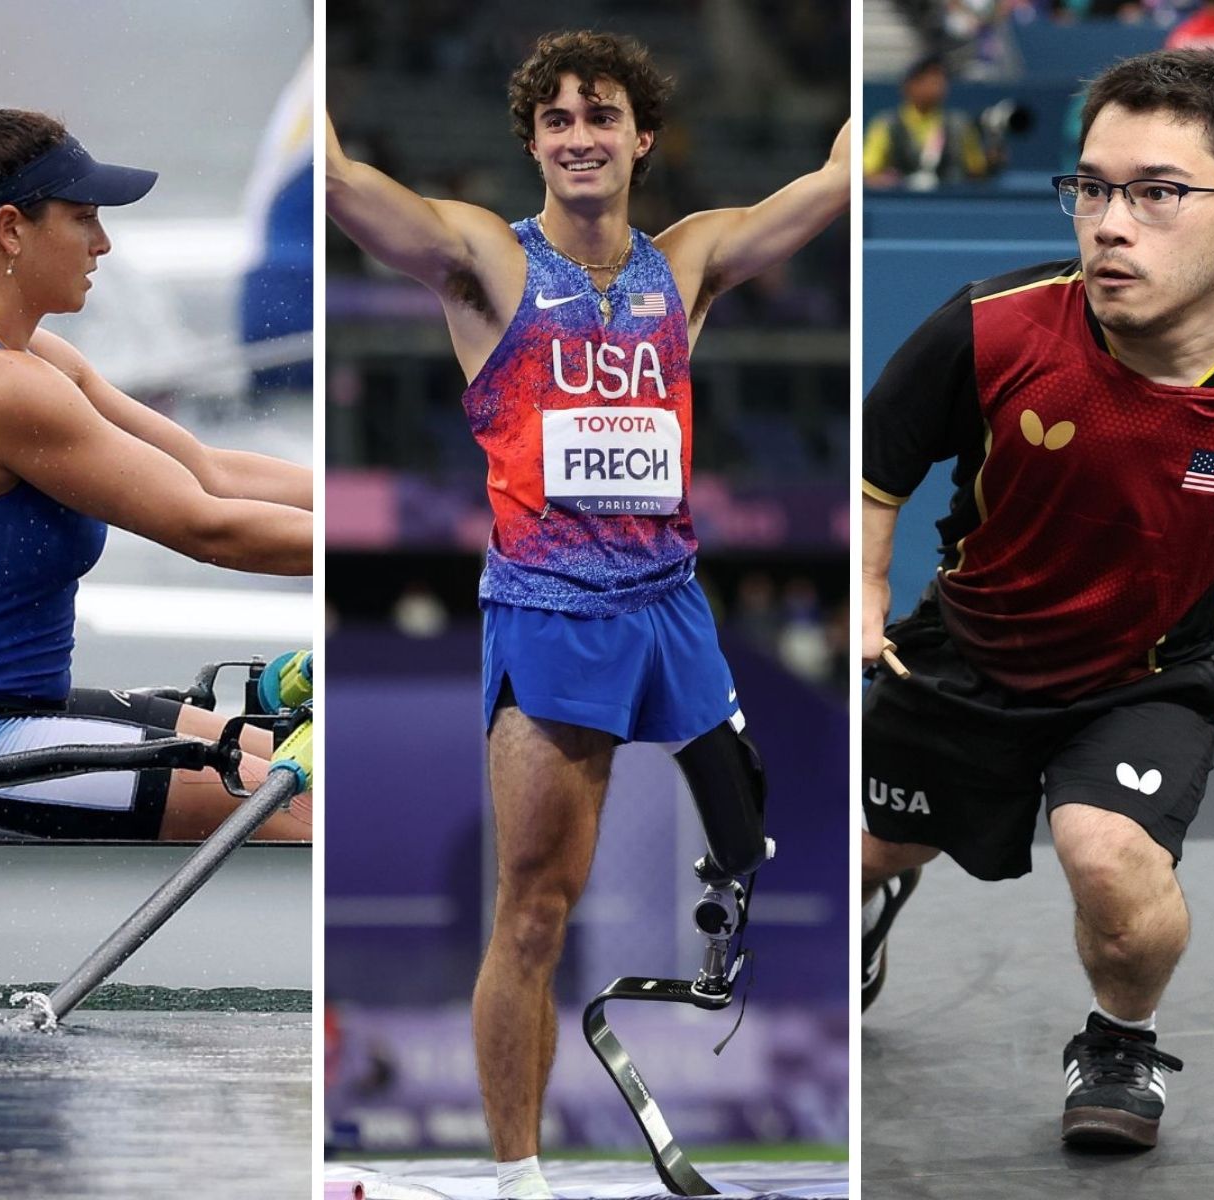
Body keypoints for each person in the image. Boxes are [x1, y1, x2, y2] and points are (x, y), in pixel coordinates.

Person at [326, 31, 848, 1200]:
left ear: (641, 137)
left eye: (600, 115)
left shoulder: (690, 262)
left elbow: (829, 181)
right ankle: (520, 1180)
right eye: (557, 120)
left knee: (750, 847)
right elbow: (347, 187)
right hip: (552, 615)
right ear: (533, 145)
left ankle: (738, 991)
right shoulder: (486, 264)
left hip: (673, 604)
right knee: (531, 914)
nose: (579, 136)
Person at [861, 49, 1214, 1150]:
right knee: (876, 848)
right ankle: (883, 888)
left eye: (1156, 193)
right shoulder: (994, 328)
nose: (1110, 223)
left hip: (1145, 675)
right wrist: (865, 590)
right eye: (1094, 188)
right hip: (963, 653)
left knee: (1107, 854)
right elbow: (879, 463)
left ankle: (1121, 1039)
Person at [0, 83, 314, 844]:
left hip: (23, 708)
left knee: (323, 769)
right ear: (10, 230)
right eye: (85, 218)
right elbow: (209, 528)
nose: (104, 244)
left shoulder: (31, 358)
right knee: (304, 809)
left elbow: (208, 470)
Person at [863, 55, 997, 191]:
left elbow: (977, 172)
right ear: (910, 85)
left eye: (941, 80)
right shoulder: (886, 124)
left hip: (949, 203)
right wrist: (883, 180)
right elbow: (868, 171)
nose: (938, 86)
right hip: (902, 203)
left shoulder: (960, 124)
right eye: (931, 80)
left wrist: (992, 163)